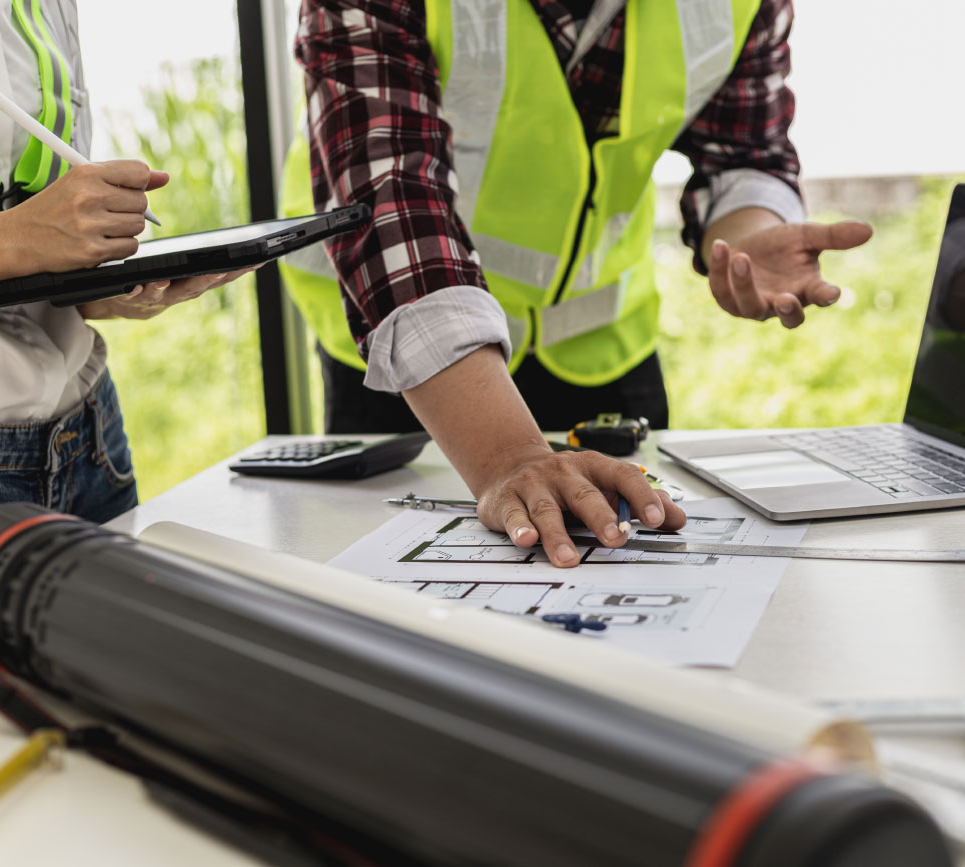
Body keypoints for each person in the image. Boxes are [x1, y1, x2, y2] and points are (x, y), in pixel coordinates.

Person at [288, 0, 872, 567]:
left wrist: (748, 234)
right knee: (404, 606)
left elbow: (742, 149)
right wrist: (507, 458)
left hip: (598, 341)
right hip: (421, 362)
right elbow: (392, 202)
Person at [0, 0, 247, 637]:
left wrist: (104, 289)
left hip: (89, 445)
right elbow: (20, 237)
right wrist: (16, 237)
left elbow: (36, 256)